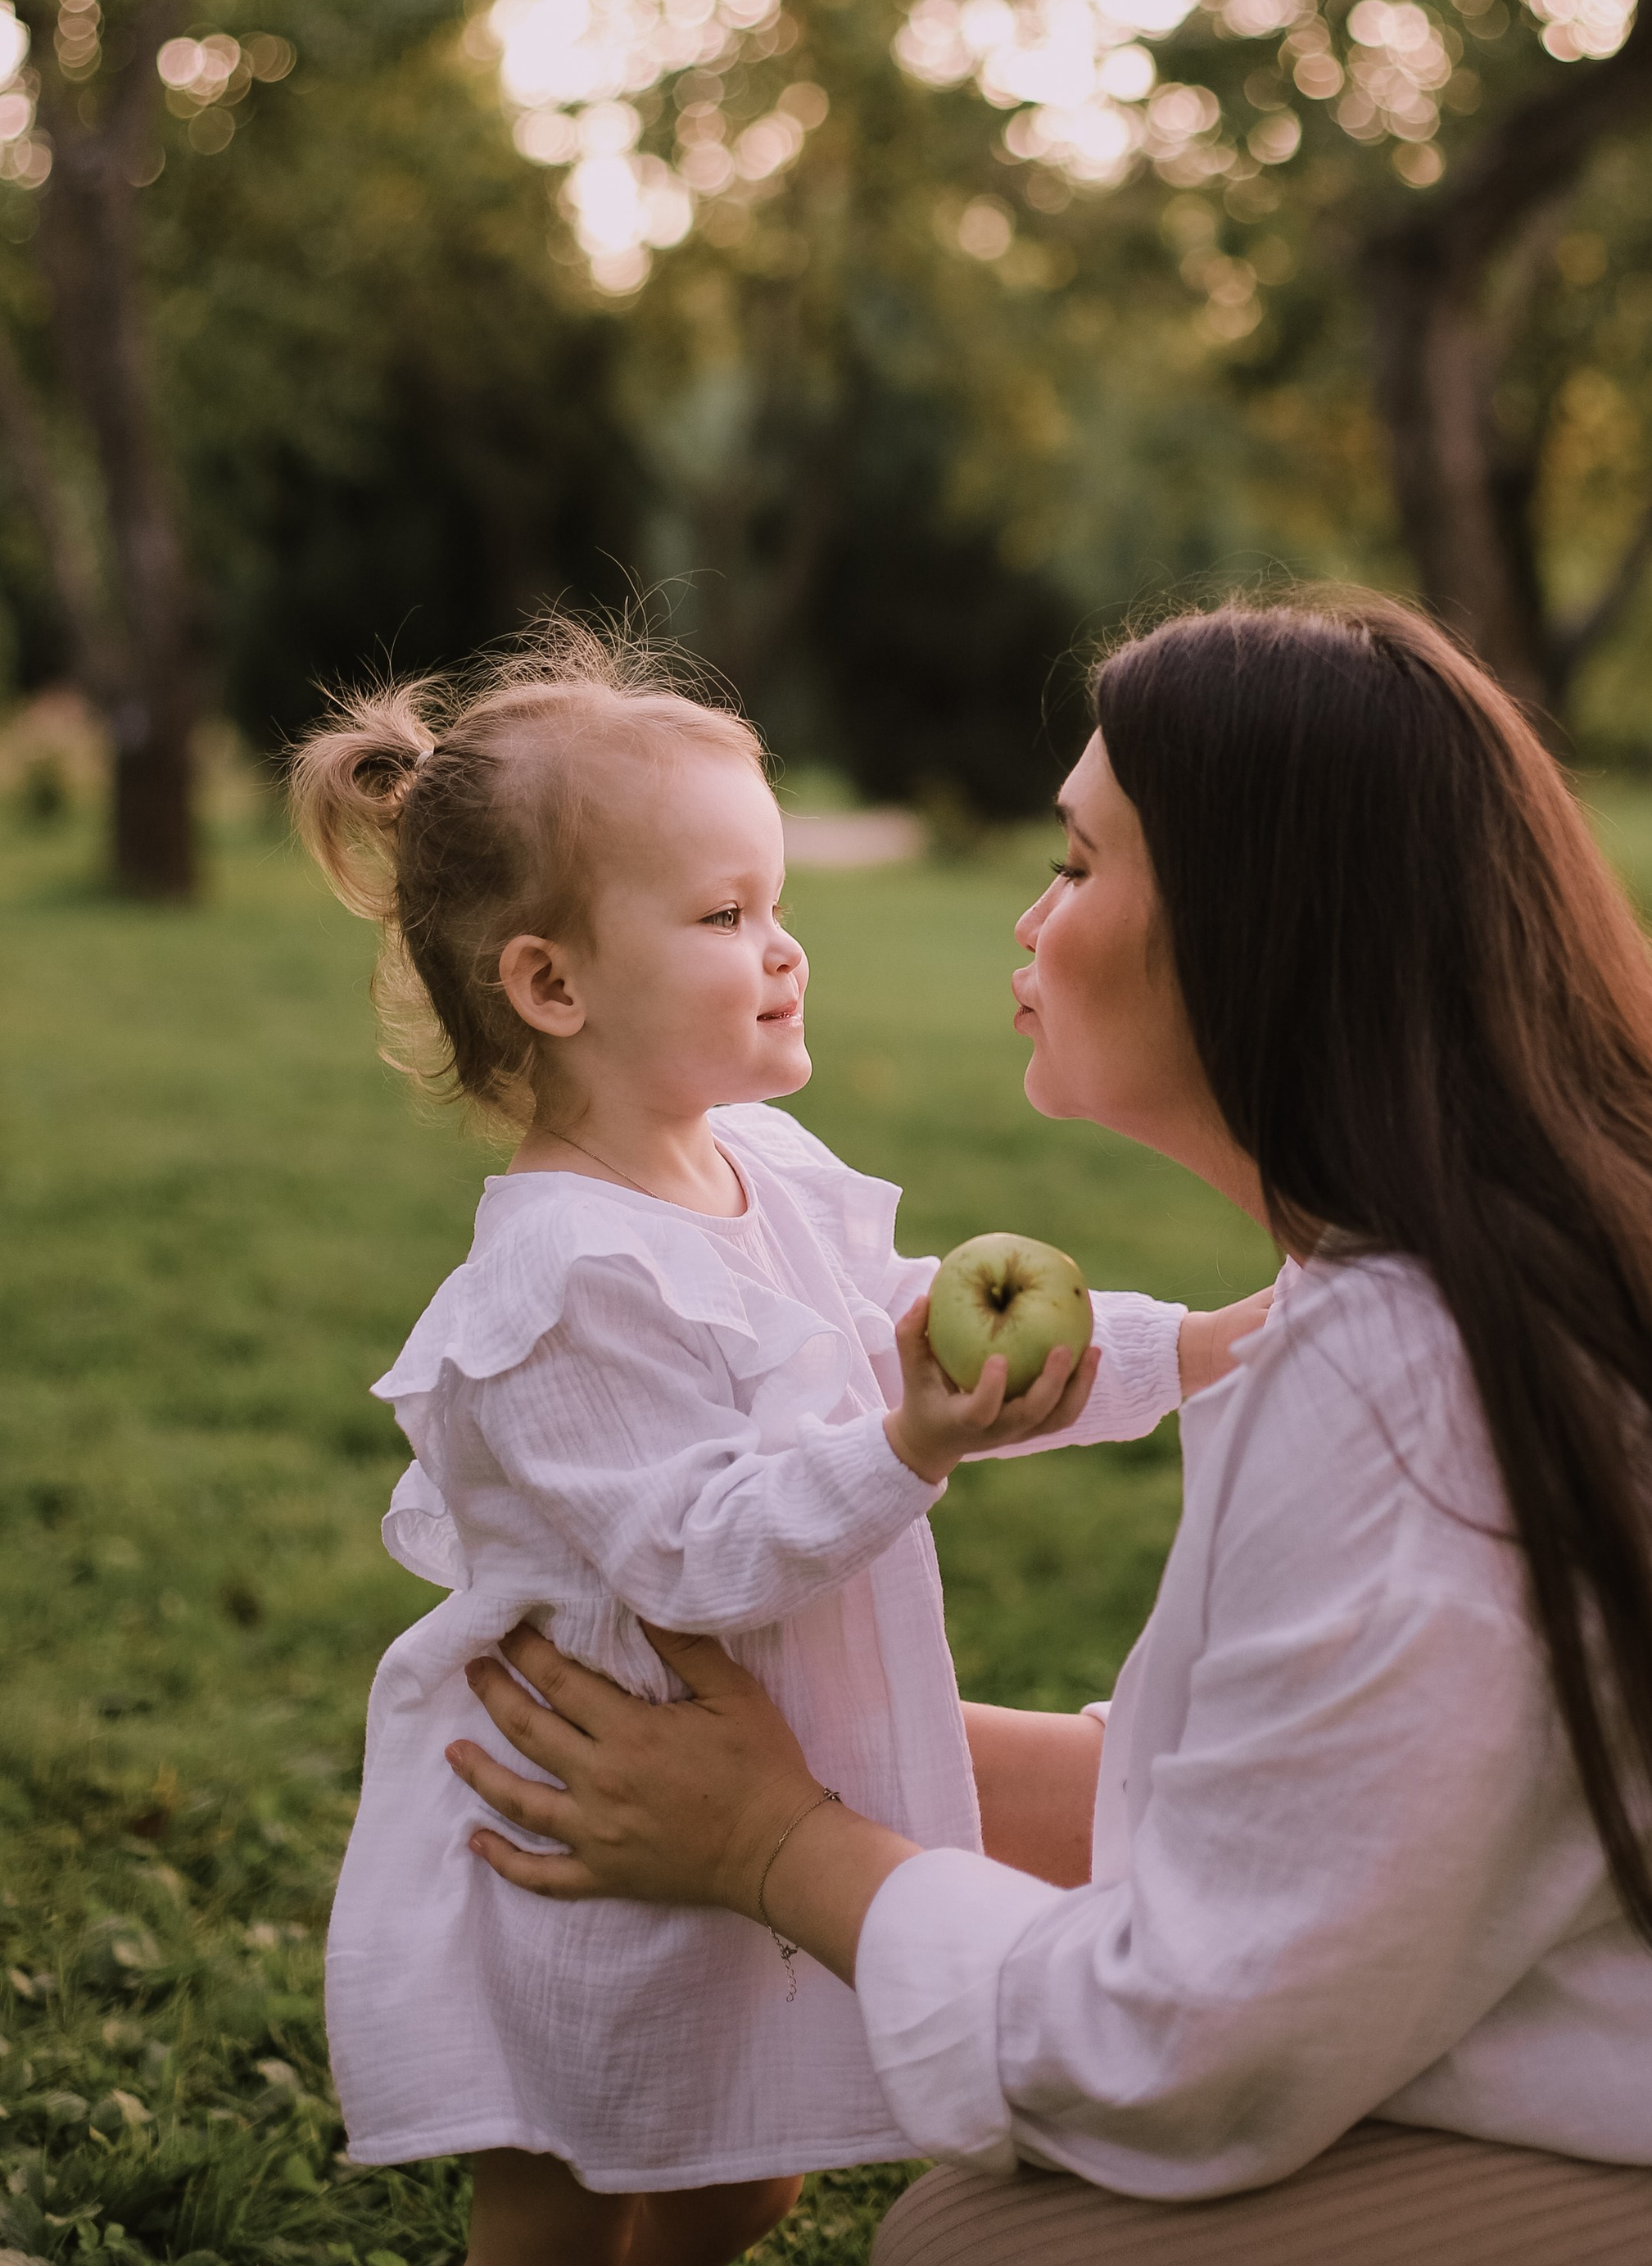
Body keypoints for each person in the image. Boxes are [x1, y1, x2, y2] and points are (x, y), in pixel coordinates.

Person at [449, 594, 1652, 2266]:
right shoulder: (1502, 1255)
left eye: (1079, 867)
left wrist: (779, 1842)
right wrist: (807, 1757)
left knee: (993, 2251)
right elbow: (1291, 1806)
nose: (1028, 922)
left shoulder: (1430, 1382)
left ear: (1256, 928)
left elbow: (1180, 2058)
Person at [287, 626, 1265, 2266]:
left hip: (755, 1764)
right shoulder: (559, 1286)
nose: (784, 949)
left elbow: (910, 1333)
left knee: (742, 2176)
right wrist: (903, 1448)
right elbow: (685, 1549)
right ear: (550, 983)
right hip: (586, 1814)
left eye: (778, 905)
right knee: (568, 2179)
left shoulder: (757, 1161)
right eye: (724, 916)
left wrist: (1194, 1349)